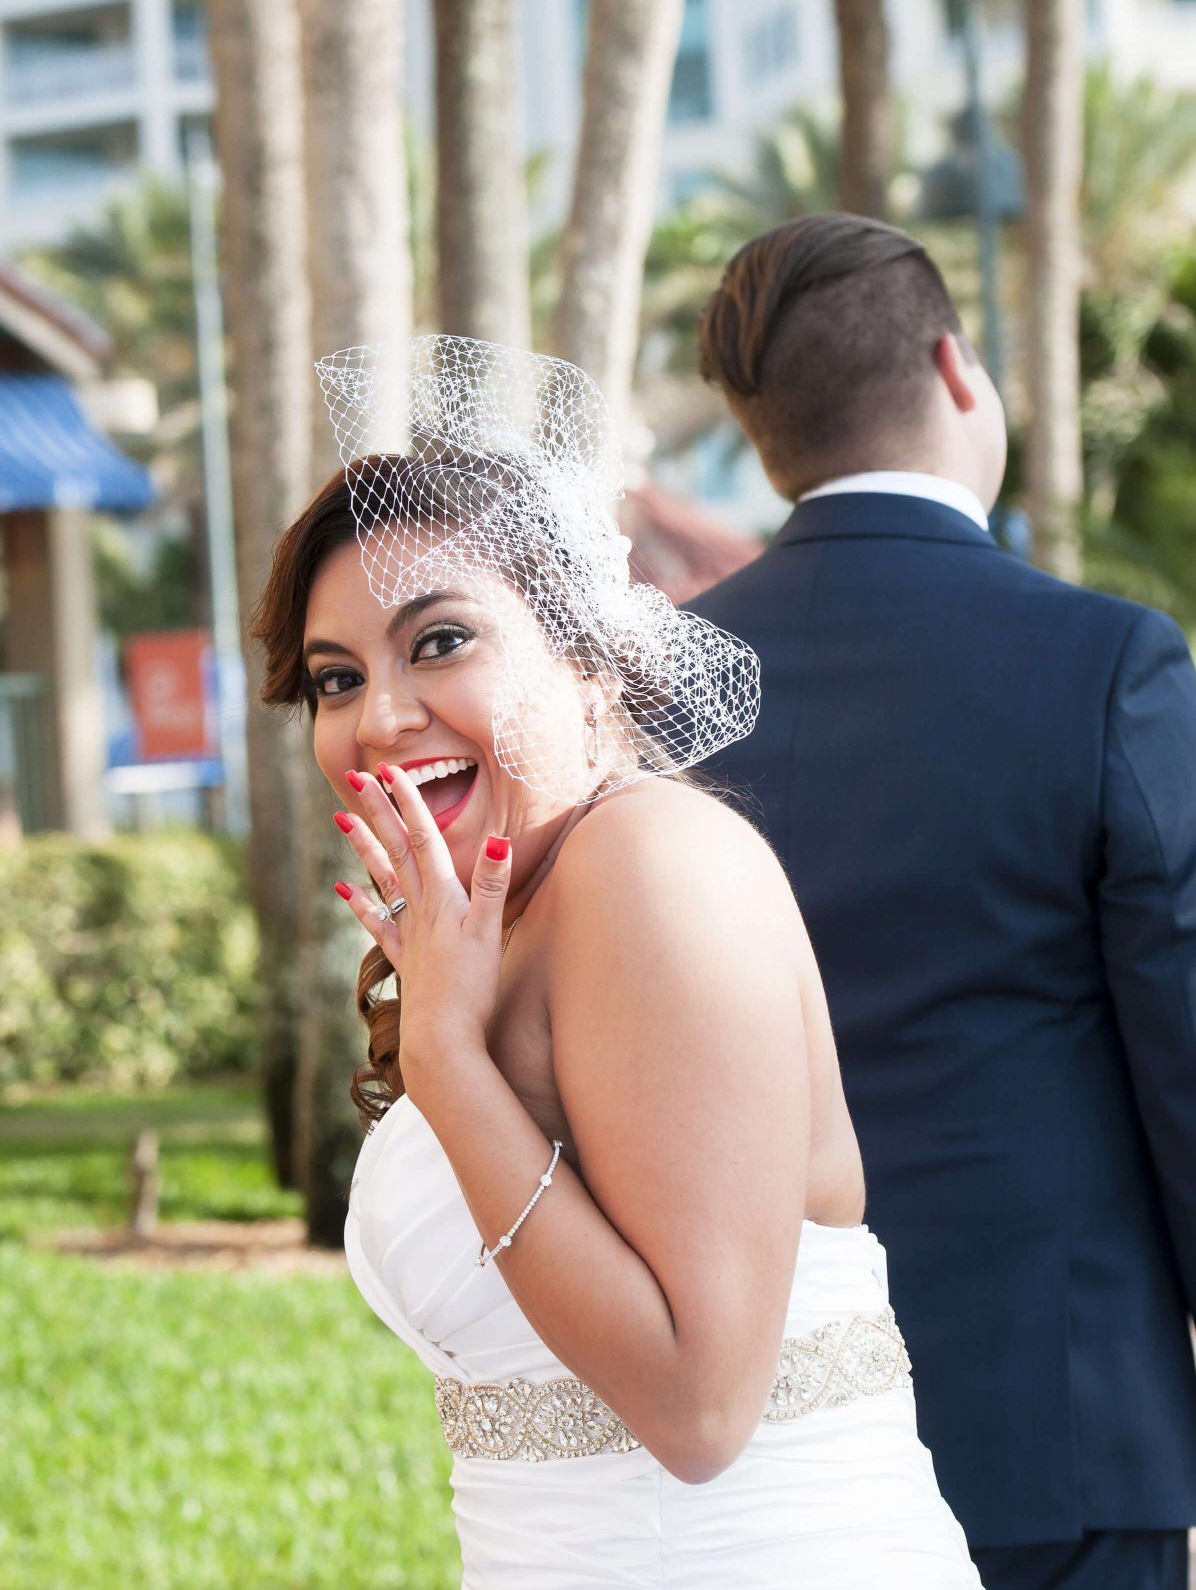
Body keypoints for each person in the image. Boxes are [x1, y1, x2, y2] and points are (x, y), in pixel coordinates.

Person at [253, 336, 981, 1587]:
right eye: (335, 678)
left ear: (588, 665)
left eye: (438, 643)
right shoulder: (497, 916)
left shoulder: (652, 862)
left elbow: (700, 1410)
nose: (377, 719)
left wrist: (444, 1058)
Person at [687, 214, 1196, 1590]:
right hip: (1062, 1418)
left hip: (754, 1434)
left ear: (760, 430)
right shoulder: (1107, 664)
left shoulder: (658, 689)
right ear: (955, 367)